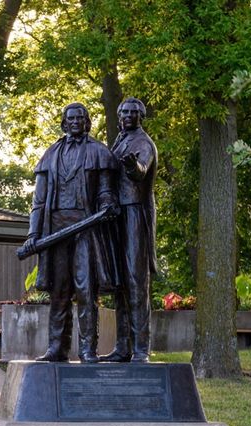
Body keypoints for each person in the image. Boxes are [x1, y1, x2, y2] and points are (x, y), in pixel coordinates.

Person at [22, 102, 119, 363]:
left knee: (86, 289)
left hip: (85, 228)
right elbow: (38, 201)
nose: (75, 122)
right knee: (59, 290)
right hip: (55, 230)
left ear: (87, 122)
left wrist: (108, 203)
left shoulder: (99, 152)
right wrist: (33, 234)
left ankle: (88, 348)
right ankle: (57, 347)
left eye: (80, 118)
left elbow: (106, 191)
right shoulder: (50, 155)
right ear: (64, 123)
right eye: (71, 119)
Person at [100, 97, 158, 363]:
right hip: (116, 215)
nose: (127, 116)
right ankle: (122, 347)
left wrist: (132, 165)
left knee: (136, 282)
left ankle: (141, 349)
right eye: (123, 112)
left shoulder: (143, 143)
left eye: (133, 113)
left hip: (135, 213)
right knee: (120, 283)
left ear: (140, 116)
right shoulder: (119, 141)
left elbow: (141, 171)